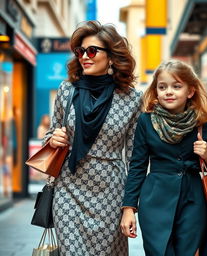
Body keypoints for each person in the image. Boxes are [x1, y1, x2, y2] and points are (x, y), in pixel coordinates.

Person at [42, 21, 142, 255]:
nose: (84, 56)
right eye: (80, 51)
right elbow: (52, 133)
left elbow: (135, 158)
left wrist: (130, 207)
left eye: (92, 50)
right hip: (69, 187)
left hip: (110, 193)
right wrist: (53, 138)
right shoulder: (67, 90)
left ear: (111, 58)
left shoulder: (132, 99)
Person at [120, 59, 207, 256]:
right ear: (156, 90)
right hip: (155, 200)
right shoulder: (146, 121)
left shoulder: (203, 122)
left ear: (190, 91)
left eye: (176, 86)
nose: (169, 91)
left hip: (193, 200)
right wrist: (129, 208)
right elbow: (137, 167)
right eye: (162, 86)